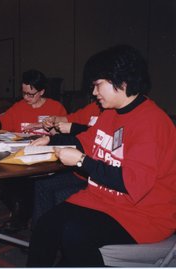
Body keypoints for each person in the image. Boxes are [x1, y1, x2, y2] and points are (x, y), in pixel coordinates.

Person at [27, 44, 176, 267]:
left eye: (98, 85)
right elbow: (85, 141)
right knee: (46, 225)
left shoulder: (151, 122)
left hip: (143, 215)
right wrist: (51, 140)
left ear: (122, 82)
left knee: (74, 234)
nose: (94, 93)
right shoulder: (110, 113)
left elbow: (128, 181)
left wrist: (80, 160)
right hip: (104, 201)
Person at [0, 69, 67, 234]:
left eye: (31, 94)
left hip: (47, 159)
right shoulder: (19, 107)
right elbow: (2, 123)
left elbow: (66, 135)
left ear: (41, 92)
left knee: (24, 186)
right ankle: (23, 217)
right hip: (23, 159)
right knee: (9, 182)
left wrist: (50, 129)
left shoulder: (56, 108)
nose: (26, 98)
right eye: (24, 93)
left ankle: (21, 219)